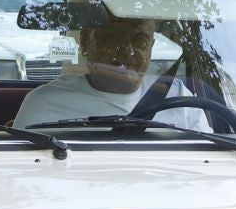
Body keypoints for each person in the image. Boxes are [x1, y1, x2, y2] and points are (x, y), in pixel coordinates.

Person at [13, 11, 210, 132]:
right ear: (85, 44)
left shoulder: (179, 98)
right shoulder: (44, 104)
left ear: (151, 46)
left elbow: (210, 165)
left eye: (139, 41)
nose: (127, 51)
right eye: (112, 39)